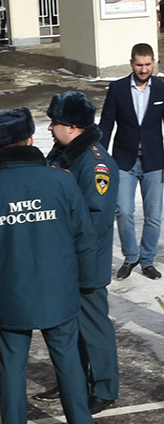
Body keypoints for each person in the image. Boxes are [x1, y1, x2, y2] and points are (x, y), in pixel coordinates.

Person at [0, 107, 99, 424]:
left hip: (9, 291)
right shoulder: (62, 180)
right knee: (68, 360)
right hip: (58, 288)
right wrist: (87, 281)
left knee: (12, 364)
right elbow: (84, 236)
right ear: (30, 138)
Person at [37, 91, 120, 414]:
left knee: (94, 325)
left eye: (54, 122)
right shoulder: (64, 153)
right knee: (68, 325)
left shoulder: (96, 162)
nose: (49, 128)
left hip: (85, 260)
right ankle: (73, 379)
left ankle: (104, 387)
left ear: (72, 127)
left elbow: (96, 218)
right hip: (62, 258)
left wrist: (63, 246)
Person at [97, 42, 164, 279]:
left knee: (153, 215)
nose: (143, 69)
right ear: (131, 63)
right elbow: (106, 124)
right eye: (139, 65)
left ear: (153, 62)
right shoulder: (117, 88)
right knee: (124, 211)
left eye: (147, 64)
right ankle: (130, 257)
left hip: (154, 161)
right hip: (124, 160)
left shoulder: (161, 88)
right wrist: (99, 157)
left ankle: (147, 260)